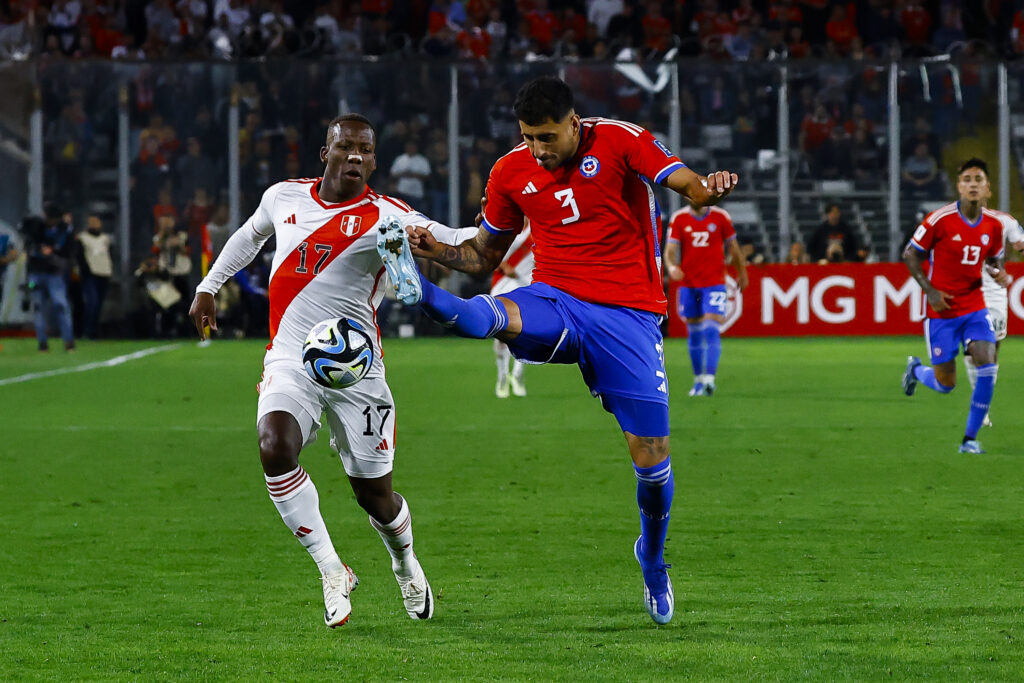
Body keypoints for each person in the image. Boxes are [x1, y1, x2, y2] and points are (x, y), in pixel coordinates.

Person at [376, 76, 738, 625]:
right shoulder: (510, 170)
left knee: (652, 458)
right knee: (491, 317)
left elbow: (686, 184)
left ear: (574, 123)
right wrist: (436, 251)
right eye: (529, 138)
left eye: (547, 137)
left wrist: (707, 191)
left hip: (629, 315)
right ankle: (415, 290)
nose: (538, 150)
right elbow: (483, 254)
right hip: (555, 297)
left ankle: (653, 557)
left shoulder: (619, 139)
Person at [188, 114, 475, 629]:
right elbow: (248, 237)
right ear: (326, 154)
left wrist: (511, 227)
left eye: (366, 150)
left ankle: (405, 565)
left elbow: (458, 239)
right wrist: (209, 286)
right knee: (274, 446)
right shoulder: (283, 198)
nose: (356, 158)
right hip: (292, 357)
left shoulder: (387, 215)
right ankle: (331, 569)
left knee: (376, 497)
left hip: (358, 372)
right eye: (346, 148)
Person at [901, 158, 1011, 454]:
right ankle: (915, 371)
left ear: (987, 188)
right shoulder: (939, 220)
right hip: (942, 312)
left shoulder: (994, 225)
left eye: (979, 179)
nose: (973, 184)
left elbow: (991, 258)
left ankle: (970, 439)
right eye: (967, 179)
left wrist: (996, 271)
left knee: (987, 362)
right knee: (945, 383)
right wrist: (931, 291)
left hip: (975, 306)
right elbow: (910, 254)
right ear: (959, 186)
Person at [664, 204, 748, 397]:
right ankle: (698, 380)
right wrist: (671, 266)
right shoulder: (679, 218)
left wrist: (742, 272)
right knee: (693, 334)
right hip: (689, 284)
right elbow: (670, 248)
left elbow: (733, 247)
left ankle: (710, 379)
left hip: (715, 283)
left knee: (710, 328)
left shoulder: (720, 216)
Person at [963, 197, 1024, 427]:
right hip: (967, 292)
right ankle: (979, 407)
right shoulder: (952, 222)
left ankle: (982, 404)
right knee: (972, 349)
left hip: (995, 293)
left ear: (987, 191)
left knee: (992, 349)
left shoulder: (1004, 221)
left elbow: (1021, 244)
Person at [491, 224, 534, 398]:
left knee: (524, 331)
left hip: (525, 282)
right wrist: (502, 264)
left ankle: (517, 374)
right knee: (501, 332)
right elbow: (488, 250)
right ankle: (501, 376)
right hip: (503, 281)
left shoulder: (537, 225)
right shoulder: (504, 223)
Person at [25, 205, 75, 352]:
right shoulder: (36, 226)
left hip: (54, 274)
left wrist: (53, 254)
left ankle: (69, 341)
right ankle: (42, 343)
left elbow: (68, 251)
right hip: (35, 274)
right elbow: (28, 243)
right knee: (38, 306)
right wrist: (38, 250)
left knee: (61, 305)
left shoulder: (64, 230)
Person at [76, 215, 113, 339]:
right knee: (92, 302)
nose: (94, 224)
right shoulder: (83, 238)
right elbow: (80, 256)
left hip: (104, 273)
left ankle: (94, 330)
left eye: (96, 222)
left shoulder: (105, 239)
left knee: (99, 304)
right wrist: (85, 270)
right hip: (91, 274)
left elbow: (110, 254)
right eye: (91, 222)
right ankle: (87, 330)